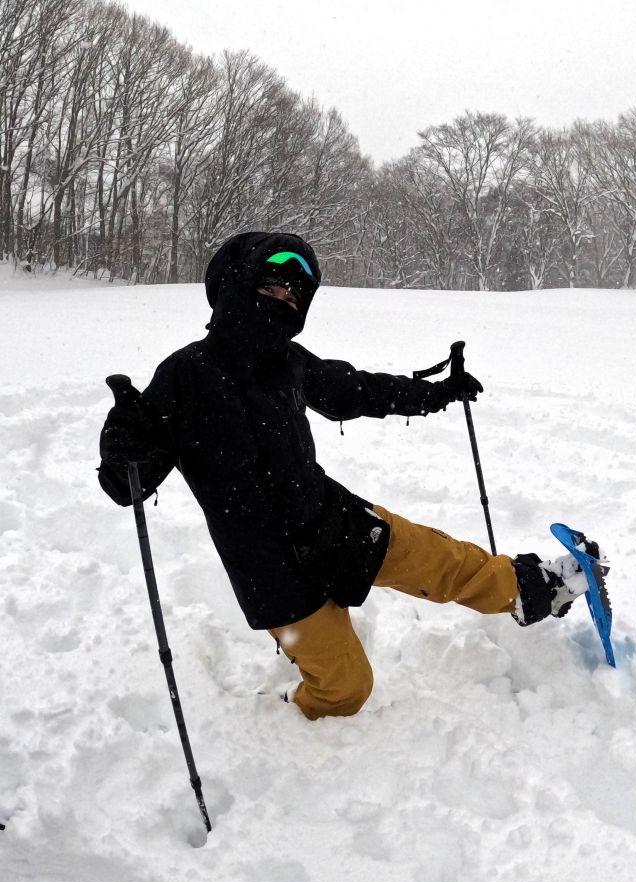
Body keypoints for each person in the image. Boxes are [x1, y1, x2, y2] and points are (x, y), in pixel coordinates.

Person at [97, 231, 599, 720]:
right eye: (271, 285)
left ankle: (540, 588)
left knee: (437, 559)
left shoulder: (289, 362)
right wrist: (126, 443)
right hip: (269, 570)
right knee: (347, 688)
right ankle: (286, 712)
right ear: (235, 283)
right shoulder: (186, 374)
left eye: (296, 293)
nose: (285, 299)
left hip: (328, 520)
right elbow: (129, 483)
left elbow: (357, 391)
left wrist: (437, 393)